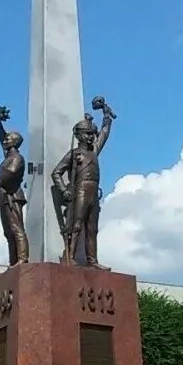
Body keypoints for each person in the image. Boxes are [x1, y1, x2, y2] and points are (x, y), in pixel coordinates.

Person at [51, 99, 114, 268]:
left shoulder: (94, 151)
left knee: (92, 228)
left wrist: (106, 115)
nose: (91, 137)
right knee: (76, 224)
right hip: (80, 189)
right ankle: (69, 257)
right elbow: (56, 172)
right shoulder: (73, 154)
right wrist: (64, 190)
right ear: (79, 135)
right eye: (87, 134)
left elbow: (105, 133)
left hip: (94, 191)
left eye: (92, 134)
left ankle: (92, 260)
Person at [0, 105, 28, 266]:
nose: (5, 140)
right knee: (8, 232)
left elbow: (10, 174)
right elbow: (1, 137)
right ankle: (13, 262)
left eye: (9, 138)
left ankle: (22, 259)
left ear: (15, 142)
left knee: (17, 229)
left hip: (13, 196)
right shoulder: (7, 156)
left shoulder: (17, 158)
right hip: (4, 197)